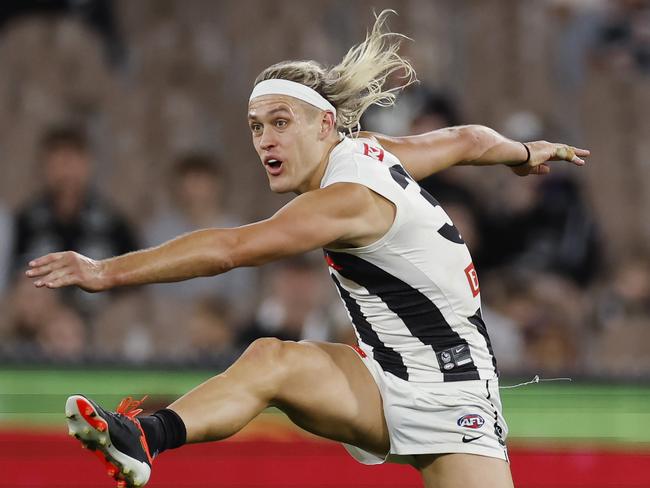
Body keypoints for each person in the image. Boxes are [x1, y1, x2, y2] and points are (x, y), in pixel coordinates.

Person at [26, 10, 589, 488]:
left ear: (325, 125)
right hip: (381, 375)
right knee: (272, 359)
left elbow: (230, 248)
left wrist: (104, 271)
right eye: (254, 127)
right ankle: (142, 437)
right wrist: (520, 153)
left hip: (454, 393)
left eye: (280, 122)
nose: (265, 139)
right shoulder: (372, 151)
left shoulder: (347, 199)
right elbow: (466, 140)